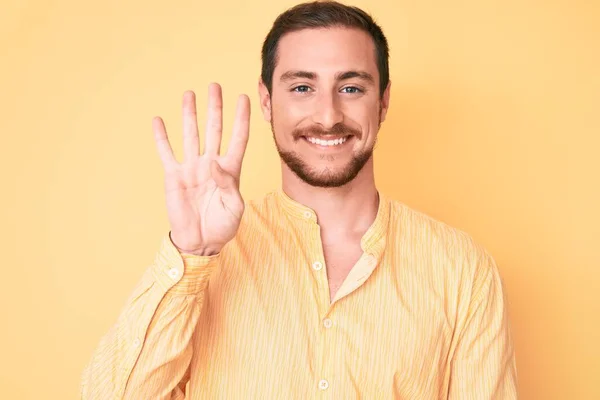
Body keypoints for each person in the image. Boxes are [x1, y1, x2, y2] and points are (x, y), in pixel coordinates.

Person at [80, 1, 517, 398]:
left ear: (383, 102)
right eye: (302, 88)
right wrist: (191, 253)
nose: (328, 117)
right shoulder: (209, 259)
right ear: (268, 102)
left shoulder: (463, 270)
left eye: (351, 88)